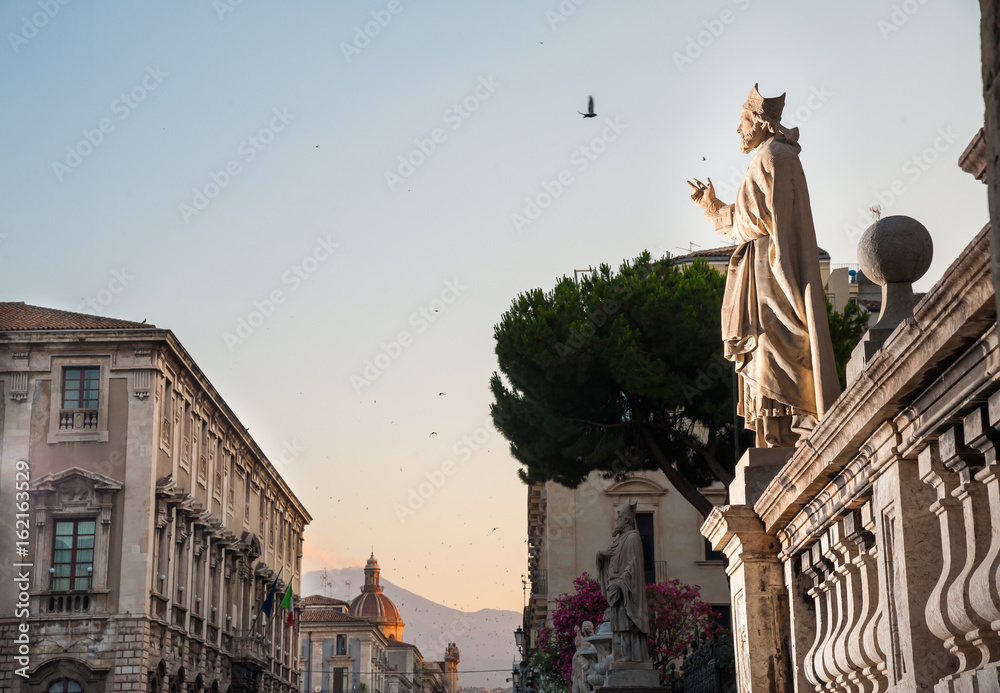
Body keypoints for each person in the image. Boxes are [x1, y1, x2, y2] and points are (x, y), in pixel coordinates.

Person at [687, 84, 841, 448]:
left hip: (774, 273)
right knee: (762, 355)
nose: (738, 130)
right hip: (758, 271)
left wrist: (714, 211)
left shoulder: (777, 158)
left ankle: (785, 436)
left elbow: (775, 225)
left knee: (776, 351)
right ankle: (771, 437)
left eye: (742, 121)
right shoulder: (764, 159)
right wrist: (711, 207)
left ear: (759, 121)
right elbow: (745, 219)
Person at [596, 500, 649, 663]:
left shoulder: (632, 538)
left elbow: (633, 564)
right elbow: (611, 560)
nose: (616, 522)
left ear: (626, 520)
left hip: (624, 590)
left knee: (626, 623)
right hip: (616, 591)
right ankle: (621, 654)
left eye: (619, 519)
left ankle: (629, 655)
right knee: (618, 625)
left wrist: (621, 582)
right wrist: (601, 555)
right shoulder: (619, 541)